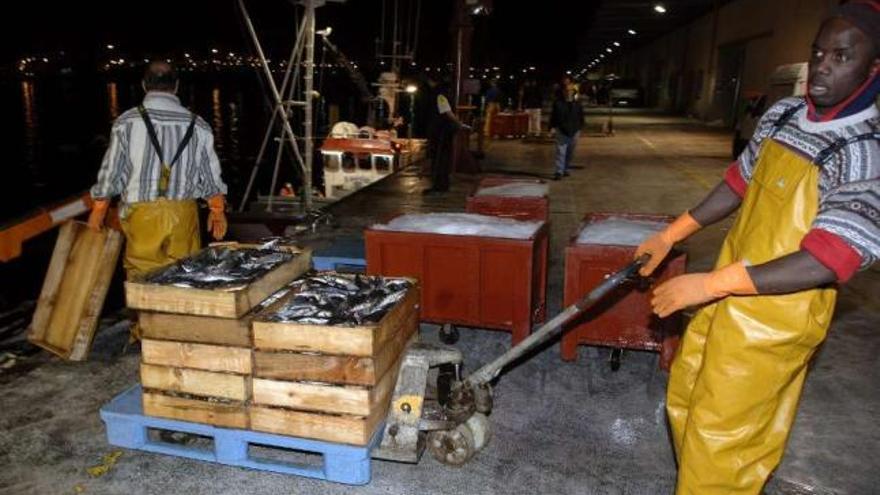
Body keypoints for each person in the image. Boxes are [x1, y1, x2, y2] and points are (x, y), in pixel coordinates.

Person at [635, 3, 880, 493]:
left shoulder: (863, 151)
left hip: (777, 315)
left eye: (841, 56)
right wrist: (672, 233)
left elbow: (826, 259)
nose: (823, 66)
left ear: (873, 69)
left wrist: (708, 283)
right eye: (818, 52)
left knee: (723, 435)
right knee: (685, 400)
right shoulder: (784, 113)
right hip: (726, 295)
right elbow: (738, 182)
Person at [88, 60, 228, 280]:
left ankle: (146, 314)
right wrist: (217, 209)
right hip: (183, 215)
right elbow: (210, 174)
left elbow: (112, 171)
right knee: (186, 276)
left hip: (141, 215)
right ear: (176, 86)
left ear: (144, 85)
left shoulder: (127, 122)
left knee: (142, 279)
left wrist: (99, 209)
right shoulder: (198, 125)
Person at [424, 77, 471, 194]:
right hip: (445, 130)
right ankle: (442, 185)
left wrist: (459, 123)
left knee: (439, 158)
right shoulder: (444, 94)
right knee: (443, 158)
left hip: (440, 131)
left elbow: (446, 111)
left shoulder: (438, 95)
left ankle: (438, 186)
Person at [548, 79, 583, 180]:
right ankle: (559, 171)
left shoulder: (577, 104)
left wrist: (580, 128)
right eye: (566, 91)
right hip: (561, 130)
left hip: (574, 131)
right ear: (563, 92)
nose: (568, 92)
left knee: (570, 152)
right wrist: (552, 127)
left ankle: (565, 168)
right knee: (561, 151)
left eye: (570, 91)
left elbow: (581, 117)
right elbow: (553, 116)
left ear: (573, 92)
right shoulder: (558, 103)